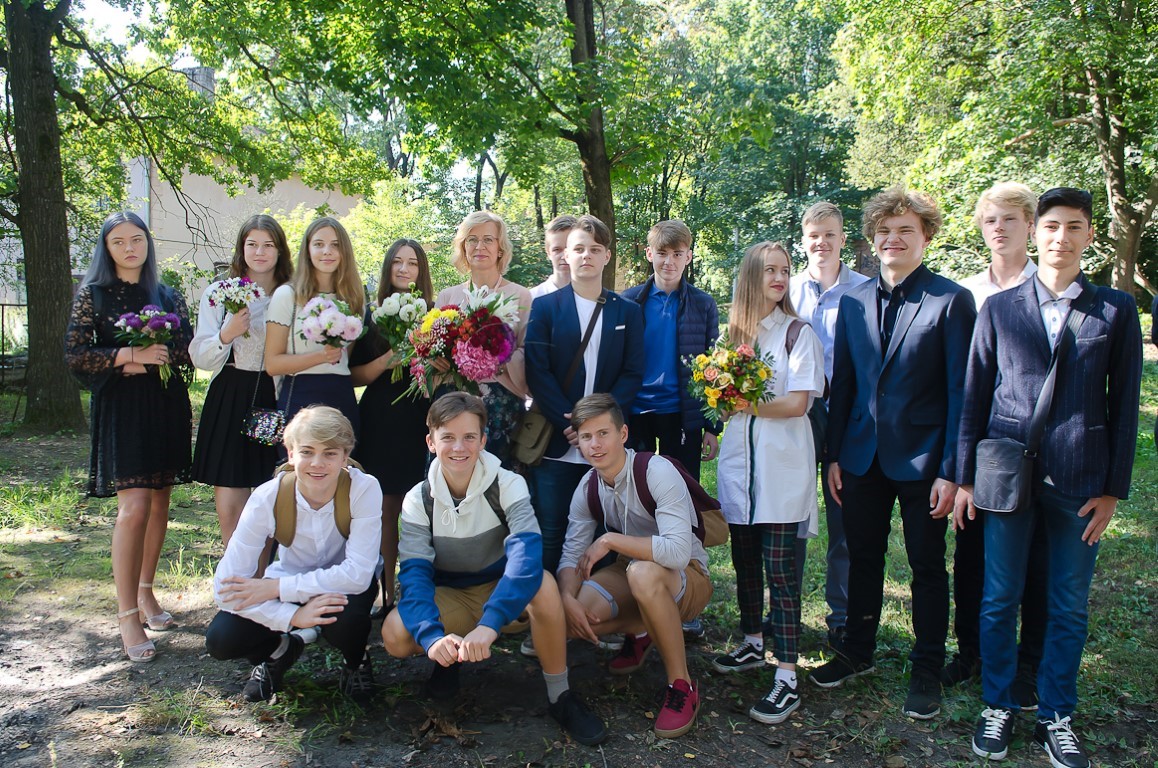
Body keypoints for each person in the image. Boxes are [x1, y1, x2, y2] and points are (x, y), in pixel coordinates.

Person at [956, 188, 1142, 767]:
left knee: (1068, 603)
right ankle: (998, 704)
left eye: (1075, 227)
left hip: (1081, 480)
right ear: (1036, 232)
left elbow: (1126, 405)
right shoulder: (999, 308)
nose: (1062, 237)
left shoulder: (1114, 310)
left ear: (1090, 236)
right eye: (1053, 226)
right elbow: (974, 397)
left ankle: (1056, 713)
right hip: (1006, 475)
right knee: (998, 597)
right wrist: (965, 479)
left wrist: (1112, 490)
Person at [812, 186, 976, 721]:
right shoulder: (853, 301)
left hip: (924, 460)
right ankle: (856, 652)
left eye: (906, 230)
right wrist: (834, 455)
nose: (893, 239)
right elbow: (844, 383)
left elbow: (961, 391)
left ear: (926, 237)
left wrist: (952, 470)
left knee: (926, 565)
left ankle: (927, 667)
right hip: (860, 456)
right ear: (872, 239)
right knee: (863, 557)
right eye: (884, 231)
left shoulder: (950, 300)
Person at [381, 392, 607, 746]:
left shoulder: (507, 484)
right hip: (452, 595)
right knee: (396, 634)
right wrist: (431, 637)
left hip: (501, 591)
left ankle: (560, 695)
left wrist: (490, 623)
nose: (459, 447)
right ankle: (449, 657)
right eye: (448, 437)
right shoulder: (417, 499)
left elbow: (526, 560)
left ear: (483, 440)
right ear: (430, 442)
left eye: (469, 437)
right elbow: (414, 576)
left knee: (544, 585)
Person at [65, 211, 194, 662]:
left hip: (164, 406)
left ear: (147, 243)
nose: (129, 248)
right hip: (123, 410)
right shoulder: (93, 294)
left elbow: (186, 350)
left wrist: (158, 356)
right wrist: (127, 356)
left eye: (136, 239)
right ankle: (126, 616)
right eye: (118, 241)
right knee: (134, 507)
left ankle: (146, 591)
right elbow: (76, 355)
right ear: (106, 248)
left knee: (159, 504)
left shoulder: (167, 294)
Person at [711, 242, 824, 725]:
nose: (779, 278)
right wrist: (721, 402)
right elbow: (721, 402)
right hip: (739, 467)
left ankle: (787, 677)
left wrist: (746, 404)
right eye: (769, 270)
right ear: (750, 278)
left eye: (785, 270)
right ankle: (753, 643)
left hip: (782, 469)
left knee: (781, 572)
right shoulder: (732, 337)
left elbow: (798, 403)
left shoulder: (798, 333)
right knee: (745, 562)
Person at [557, 394, 713, 739]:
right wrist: (567, 598)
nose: (595, 445)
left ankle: (682, 686)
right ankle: (645, 630)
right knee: (572, 616)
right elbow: (571, 556)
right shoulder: (588, 486)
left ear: (623, 434)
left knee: (642, 573)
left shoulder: (656, 470)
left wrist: (609, 541)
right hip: (633, 571)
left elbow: (676, 552)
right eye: (586, 436)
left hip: (687, 574)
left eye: (603, 433)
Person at [945, 183, 1047, 699]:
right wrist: (959, 468)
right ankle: (971, 652)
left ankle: (1028, 661)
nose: (1000, 228)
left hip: (1038, 444)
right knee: (972, 553)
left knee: (1036, 558)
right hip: (982, 445)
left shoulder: (1049, 288)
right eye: (991, 220)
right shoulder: (966, 293)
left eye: (1010, 219)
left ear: (1031, 225)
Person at [206, 406, 382, 701]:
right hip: (290, 577)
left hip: (341, 586)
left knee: (347, 621)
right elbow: (225, 590)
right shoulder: (267, 496)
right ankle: (279, 651)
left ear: (345, 456)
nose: (317, 463)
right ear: (290, 453)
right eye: (307, 452)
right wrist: (293, 616)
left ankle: (355, 660)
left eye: (329, 453)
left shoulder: (363, 489)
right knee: (223, 638)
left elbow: (358, 575)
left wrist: (276, 589)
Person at [524, 214, 645, 574]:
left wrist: (597, 425)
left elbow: (633, 372)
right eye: (578, 249)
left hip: (605, 442)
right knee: (551, 530)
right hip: (558, 439)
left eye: (595, 249)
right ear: (566, 255)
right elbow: (537, 371)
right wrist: (572, 423)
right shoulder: (545, 307)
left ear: (607, 256)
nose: (586, 255)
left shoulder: (628, 312)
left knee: (604, 532)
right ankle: (550, 604)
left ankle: (596, 601)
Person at [787, 201, 870, 649]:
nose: (821, 243)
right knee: (793, 518)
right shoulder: (786, 289)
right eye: (814, 236)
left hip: (848, 416)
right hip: (798, 416)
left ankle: (841, 616)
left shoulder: (864, 290)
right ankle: (786, 612)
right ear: (804, 241)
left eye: (830, 235)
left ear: (843, 239)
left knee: (845, 519)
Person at [191, 215, 294, 545]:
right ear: (241, 248)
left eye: (268, 245)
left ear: (280, 250)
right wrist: (226, 333)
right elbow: (201, 357)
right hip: (231, 395)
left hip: (276, 396)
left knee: (271, 501)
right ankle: (235, 572)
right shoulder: (219, 292)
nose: (260, 252)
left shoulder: (294, 294)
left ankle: (263, 574)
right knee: (232, 504)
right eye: (252, 244)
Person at [350, 239, 436, 614]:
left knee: (421, 509)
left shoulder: (434, 316)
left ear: (422, 271)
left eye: (412, 263)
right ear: (387, 268)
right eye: (397, 262)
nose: (404, 269)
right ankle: (385, 591)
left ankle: (420, 590)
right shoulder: (370, 316)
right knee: (385, 508)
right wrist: (389, 359)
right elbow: (353, 375)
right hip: (381, 417)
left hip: (422, 417)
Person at [620, 219, 720, 481]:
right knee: (635, 487)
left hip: (682, 413)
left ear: (688, 256)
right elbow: (616, 362)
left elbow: (714, 366)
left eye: (677, 254)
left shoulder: (703, 304)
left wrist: (712, 427)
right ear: (649, 254)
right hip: (636, 411)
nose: (669, 261)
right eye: (662, 253)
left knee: (682, 488)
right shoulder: (628, 302)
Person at [434, 211, 532, 467]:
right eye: (472, 240)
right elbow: (432, 346)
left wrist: (497, 359)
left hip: (500, 402)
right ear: (463, 247)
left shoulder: (520, 296)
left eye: (488, 239)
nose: (480, 246)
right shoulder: (447, 297)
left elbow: (528, 351)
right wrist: (435, 360)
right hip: (451, 402)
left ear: (500, 248)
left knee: (496, 479)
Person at [265, 217, 365, 434]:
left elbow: (344, 360)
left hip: (341, 396)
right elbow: (272, 364)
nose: (327, 251)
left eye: (335, 245)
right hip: (300, 394)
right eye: (319, 244)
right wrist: (322, 356)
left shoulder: (354, 298)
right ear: (308, 250)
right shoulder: (287, 295)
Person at [529, 215, 578, 300]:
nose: (564, 256)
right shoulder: (532, 298)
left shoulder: (597, 297)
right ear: (548, 253)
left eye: (570, 249)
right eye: (557, 250)